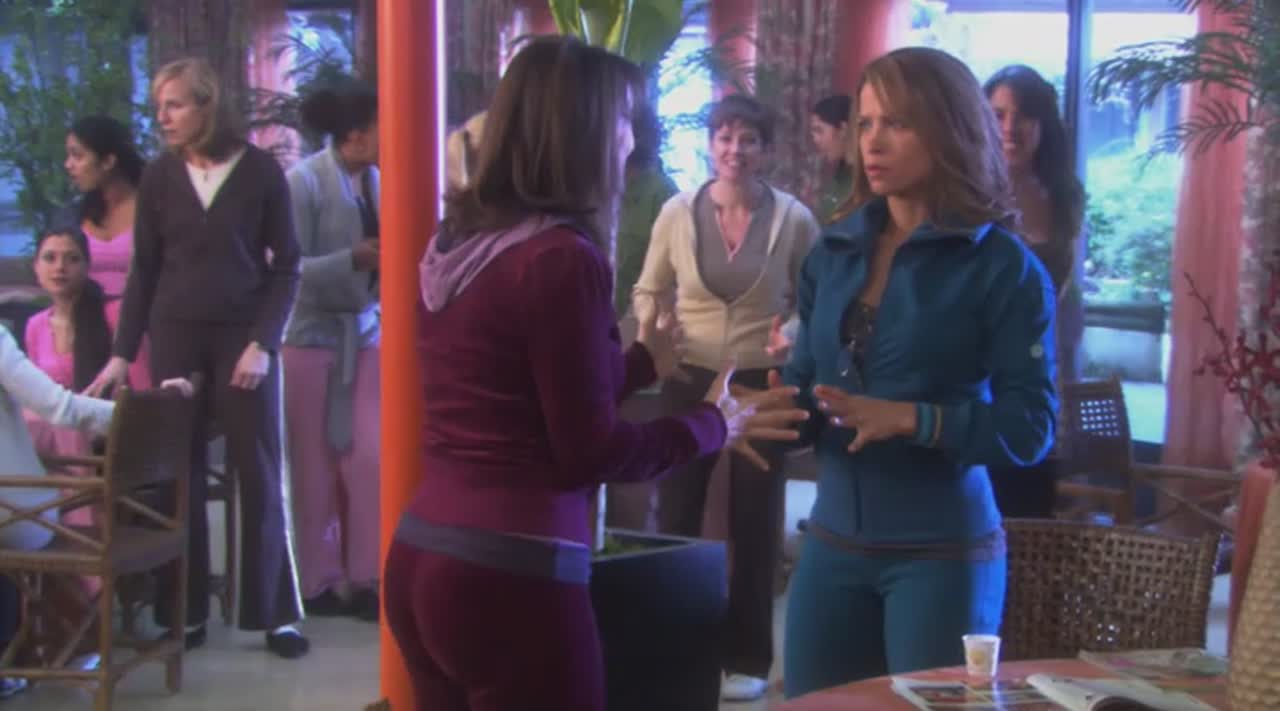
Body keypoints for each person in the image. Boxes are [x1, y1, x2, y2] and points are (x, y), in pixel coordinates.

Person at [381, 36, 808, 711]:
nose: (630, 143)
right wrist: (711, 423)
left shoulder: (461, 239)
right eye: (622, 122)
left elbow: (514, 395)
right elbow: (591, 452)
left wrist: (638, 364)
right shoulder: (560, 258)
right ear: (580, 133)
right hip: (511, 575)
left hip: (422, 553)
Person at [766, 47, 1058, 697]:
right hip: (832, 542)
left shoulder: (1003, 268)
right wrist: (772, 417)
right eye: (865, 123)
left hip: (942, 553)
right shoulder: (831, 252)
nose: (872, 142)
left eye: (896, 123)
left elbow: (1031, 428)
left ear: (949, 129)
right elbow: (809, 389)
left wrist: (914, 420)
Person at [85, 57, 307, 659]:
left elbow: (288, 266)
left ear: (206, 106)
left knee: (259, 468)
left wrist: (263, 344)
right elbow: (144, 271)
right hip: (175, 335)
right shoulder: (160, 176)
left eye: (175, 105)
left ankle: (276, 615)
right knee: (174, 470)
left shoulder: (260, 172)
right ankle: (184, 614)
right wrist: (121, 354)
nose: (162, 117)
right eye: (159, 106)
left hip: (243, 339)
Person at [632, 92, 820, 702]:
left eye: (748, 140)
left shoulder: (793, 218)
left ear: (766, 150)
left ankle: (747, 657)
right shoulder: (677, 212)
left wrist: (792, 334)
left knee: (755, 521)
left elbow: (819, 298)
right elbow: (647, 288)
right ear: (711, 145)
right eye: (725, 137)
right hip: (690, 377)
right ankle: (672, 649)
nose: (735, 150)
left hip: (762, 381)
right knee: (677, 515)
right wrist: (655, 331)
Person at [0, 328, 192, 700]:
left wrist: (142, 412)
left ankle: (12, 655)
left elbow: (60, 409)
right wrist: (148, 413)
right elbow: (62, 408)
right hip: (17, 513)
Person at [283, 80, 382, 621]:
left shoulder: (379, 179)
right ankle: (317, 579)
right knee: (313, 465)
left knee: (369, 458)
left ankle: (367, 575)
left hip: (364, 334)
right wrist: (352, 259)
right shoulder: (302, 183)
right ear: (356, 134)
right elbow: (286, 269)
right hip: (309, 338)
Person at [983, 64, 1086, 519]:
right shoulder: (966, 193)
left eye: (1023, 115)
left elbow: (1063, 297)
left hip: (1036, 372)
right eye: (998, 114)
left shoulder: (1064, 196)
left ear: (1043, 124)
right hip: (975, 377)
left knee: (1030, 516)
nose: (1010, 127)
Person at [24, 226, 151, 526]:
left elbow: (144, 390)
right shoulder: (35, 326)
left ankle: (83, 535)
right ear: (36, 267)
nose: (60, 267)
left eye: (72, 259)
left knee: (64, 422)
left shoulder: (116, 314)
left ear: (87, 266)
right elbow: (34, 394)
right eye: (50, 258)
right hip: (52, 442)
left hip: (109, 434)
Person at [64, 115, 146, 298]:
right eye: (68, 156)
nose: (68, 164)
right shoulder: (74, 216)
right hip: (85, 313)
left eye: (77, 155)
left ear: (108, 161)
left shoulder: (153, 210)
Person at [809, 94, 853, 224]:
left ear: (843, 129)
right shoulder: (839, 177)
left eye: (819, 130)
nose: (815, 140)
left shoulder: (867, 179)